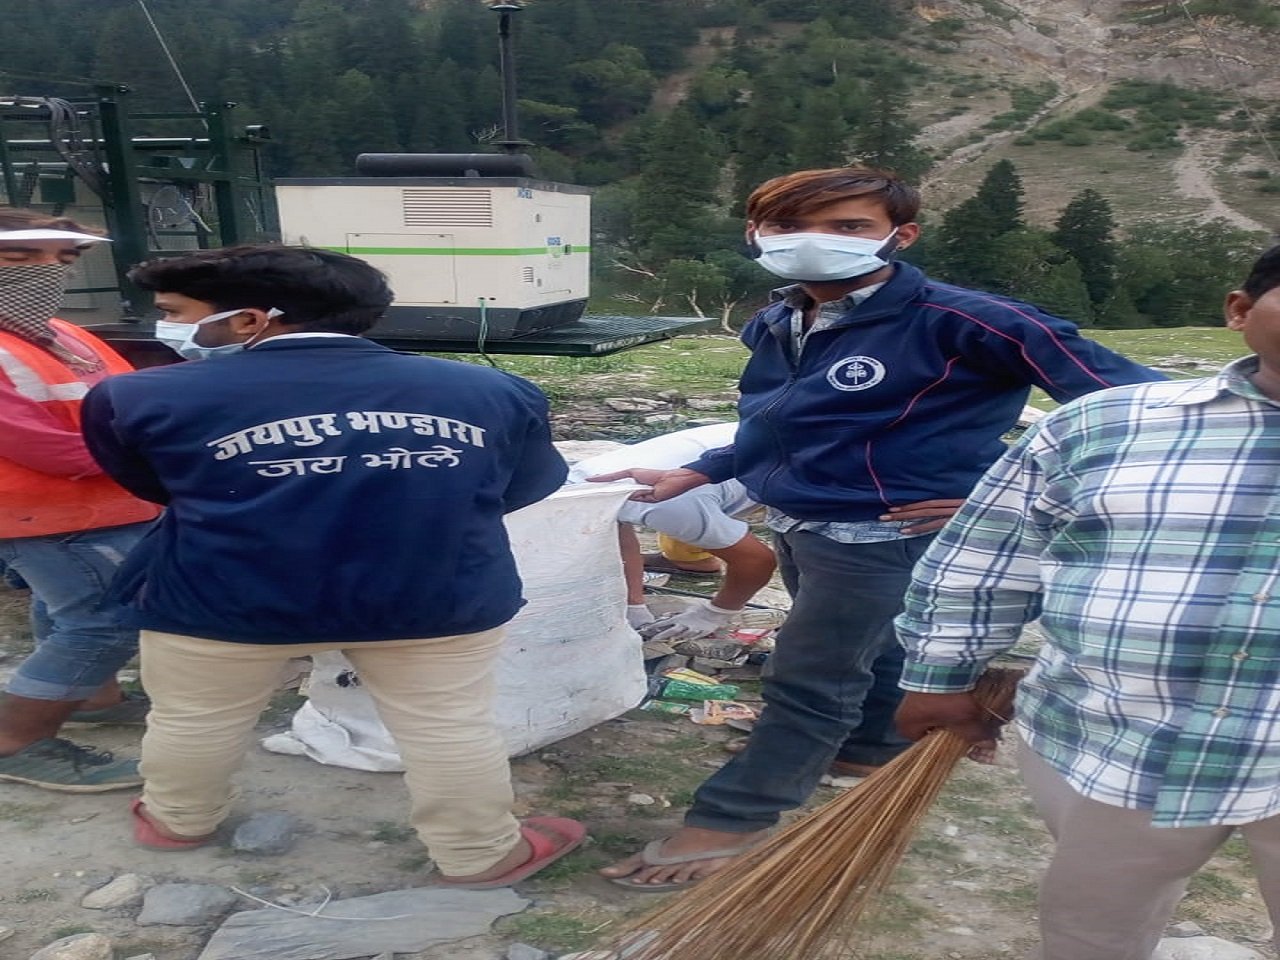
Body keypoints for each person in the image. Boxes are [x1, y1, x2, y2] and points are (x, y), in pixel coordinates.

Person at [596, 165, 1164, 889]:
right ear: (756, 234)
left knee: (808, 677)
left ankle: (730, 822)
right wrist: (703, 469)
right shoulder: (777, 319)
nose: (816, 241)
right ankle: (870, 748)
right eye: (790, 225)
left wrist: (1019, 498)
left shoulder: (967, 320)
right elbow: (782, 422)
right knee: (880, 648)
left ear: (901, 235)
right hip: (801, 521)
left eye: (848, 226)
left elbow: (1150, 414)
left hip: (889, 534)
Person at [80, 245, 584, 886]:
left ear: (248, 321)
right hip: (433, 594)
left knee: (193, 718)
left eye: (176, 312)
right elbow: (521, 485)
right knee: (448, 726)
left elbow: (154, 483)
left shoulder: (134, 396)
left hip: (224, 596)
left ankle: (178, 821)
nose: (166, 327)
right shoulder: (492, 391)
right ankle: (480, 855)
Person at [894, 245, 1280, 960]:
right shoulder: (1103, 426)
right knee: (1091, 930)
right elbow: (984, 561)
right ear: (1239, 310)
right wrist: (940, 678)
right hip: (1114, 742)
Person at [0, 209, 160, 793]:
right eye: (20, 258)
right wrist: (168, 457)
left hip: (102, 505)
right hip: (48, 512)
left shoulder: (62, 333)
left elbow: (128, 400)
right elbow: (51, 451)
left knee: (68, 606)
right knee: (102, 621)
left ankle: (95, 696)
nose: (47, 271)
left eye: (61, 258)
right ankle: (16, 741)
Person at [568, 423, 776, 641]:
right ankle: (695, 561)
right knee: (693, 531)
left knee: (802, 546)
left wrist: (716, 613)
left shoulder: (660, 505)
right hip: (721, 459)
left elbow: (758, 560)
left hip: (791, 458)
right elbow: (619, 541)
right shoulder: (580, 485)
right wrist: (633, 605)